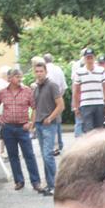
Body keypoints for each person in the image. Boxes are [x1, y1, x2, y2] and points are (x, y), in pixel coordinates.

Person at [0, 67, 43, 191]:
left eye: (20, 76)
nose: (19, 79)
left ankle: (35, 182)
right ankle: (19, 181)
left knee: (29, 155)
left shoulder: (27, 91)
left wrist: (31, 123)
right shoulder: (2, 92)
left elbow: (34, 107)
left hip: (23, 127)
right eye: (17, 76)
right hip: (8, 128)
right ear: (10, 78)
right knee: (13, 156)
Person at [33, 61, 65, 195]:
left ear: (46, 72)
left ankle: (57, 185)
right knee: (44, 155)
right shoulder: (36, 87)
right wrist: (33, 123)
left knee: (48, 155)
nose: (39, 73)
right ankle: (50, 184)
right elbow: (35, 107)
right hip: (39, 124)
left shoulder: (52, 85)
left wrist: (50, 118)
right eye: (37, 71)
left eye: (41, 71)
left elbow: (61, 105)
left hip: (49, 124)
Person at [72, 47, 105, 133]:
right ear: (84, 59)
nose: (89, 60)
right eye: (87, 58)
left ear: (94, 58)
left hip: (99, 104)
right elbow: (76, 91)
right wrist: (76, 106)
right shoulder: (79, 72)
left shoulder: (101, 71)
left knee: (99, 130)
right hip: (85, 104)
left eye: (91, 57)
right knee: (88, 130)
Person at [44, 53, 67, 155]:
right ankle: (59, 144)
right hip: (58, 97)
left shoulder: (45, 70)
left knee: (50, 121)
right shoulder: (58, 69)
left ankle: (53, 145)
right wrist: (59, 96)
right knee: (57, 122)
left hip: (47, 99)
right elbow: (64, 86)